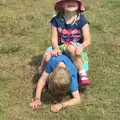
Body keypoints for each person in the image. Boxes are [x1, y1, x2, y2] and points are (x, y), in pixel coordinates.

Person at [38, 0, 91, 86]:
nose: (71, 3)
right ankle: (44, 79)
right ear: (61, 5)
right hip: (61, 47)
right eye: (67, 1)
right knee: (47, 57)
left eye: (74, 1)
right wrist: (56, 48)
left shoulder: (81, 19)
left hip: (76, 48)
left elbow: (87, 40)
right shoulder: (56, 20)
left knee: (70, 47)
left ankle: (82, 74)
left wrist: (82, 46)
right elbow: (54, 38)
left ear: (79, 4)